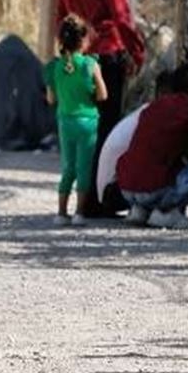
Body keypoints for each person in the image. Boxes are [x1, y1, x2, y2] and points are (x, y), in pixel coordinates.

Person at [57, 0, 145, 217]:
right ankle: (97, 198)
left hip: (77, 57)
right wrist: (137, 52)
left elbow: (61, 16)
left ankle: (82, 199)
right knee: (105, 129)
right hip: (106, 58)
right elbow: (122, 18)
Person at [117, 65, 188, 229]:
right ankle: (166, 212)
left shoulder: (152, 107)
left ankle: (141, 210)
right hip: (154, 189)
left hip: (127, 187)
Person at [44, 15, 109, 226]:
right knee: (84, 168)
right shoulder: (90, 64)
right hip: (88, 122)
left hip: (65, 122)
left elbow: (51, 99)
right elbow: (103, 95)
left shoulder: (54, 67)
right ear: (83, 40)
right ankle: (79, 213)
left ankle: (61, 213)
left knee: (68, 167)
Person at [96, 70, 175, 215]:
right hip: (117, 192)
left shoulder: (145, 111)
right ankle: (163, 211)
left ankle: (140, 209)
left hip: (113, 190)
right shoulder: (154, 115)